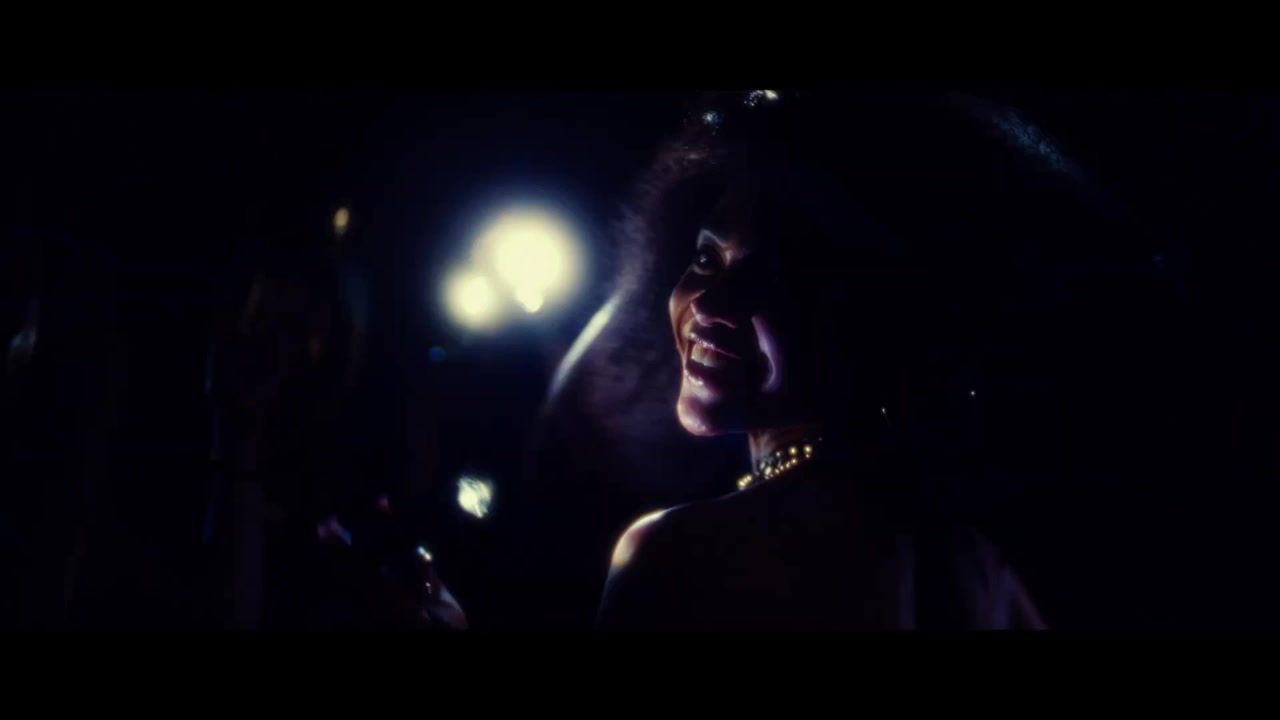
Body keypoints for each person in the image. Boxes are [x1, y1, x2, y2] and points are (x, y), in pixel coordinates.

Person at [595, 91, 1065, 630]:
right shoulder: (981, 562)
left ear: (877, 318)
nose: (708, 304)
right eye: (707, 258)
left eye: (776, 279)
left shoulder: (677, 556)